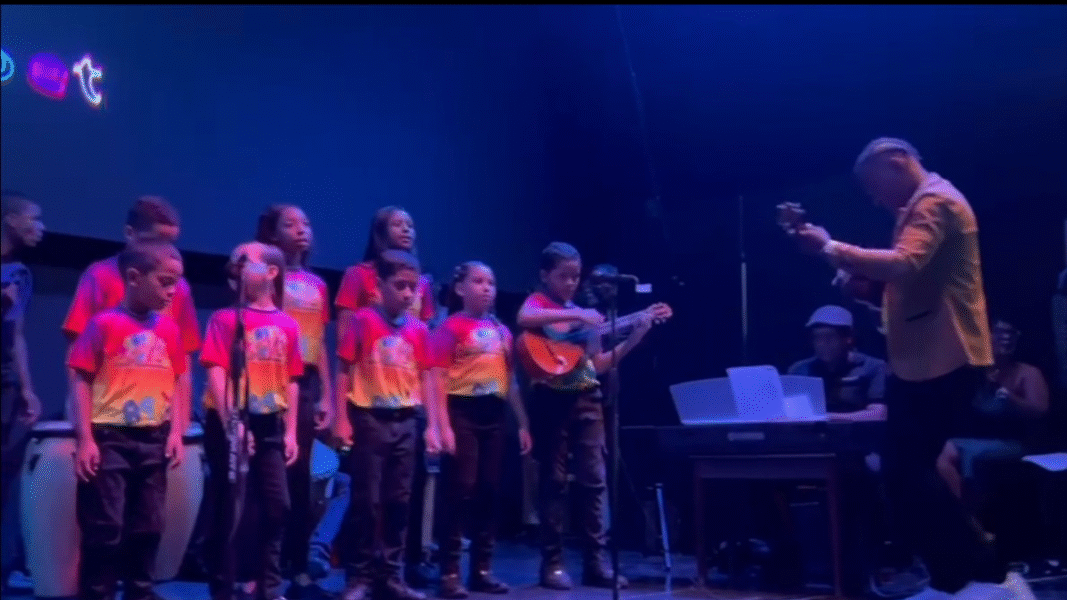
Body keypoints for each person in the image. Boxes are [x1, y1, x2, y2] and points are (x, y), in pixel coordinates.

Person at [785, 137, 1036, 599]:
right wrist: (852, 279)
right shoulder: (917, 209)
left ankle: (980, 569)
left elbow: (903, 264)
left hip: (945, 359)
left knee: (905, 470)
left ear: (897, 163)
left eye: (873, 186)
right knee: (903, 474)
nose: (873, 198)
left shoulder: (936, 202)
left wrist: (830, 245)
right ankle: (961, 575)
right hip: (922, 362)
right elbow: (906, 287)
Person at [516, 242, 652, 591]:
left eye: (575, 276)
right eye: (564, 276)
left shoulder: (585, 314)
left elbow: (599, 364)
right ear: (545, 275)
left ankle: (596, 562)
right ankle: (552, 564)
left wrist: (634, 338)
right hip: (552, 399)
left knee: (595, 479)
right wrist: (578, 316)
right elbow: (524, 319)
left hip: (587, 398)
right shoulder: (540, 304)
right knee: (554, 480)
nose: (571, 283)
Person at [68, 240, 188, 600]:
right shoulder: (104, 324)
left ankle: (141, 592)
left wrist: (176, 432)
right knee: (105, 526)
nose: (172, 291)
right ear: (134, 278)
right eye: (165, 282)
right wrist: (85, 438)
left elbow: (178, 379)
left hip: (153, 438)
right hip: (111, 439)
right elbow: (81, 379)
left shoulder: (169, 330)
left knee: (148, 525)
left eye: (176, 283)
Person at [334, 206, 438, 587]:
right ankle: (359, 578)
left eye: (413, 288)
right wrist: (342, 417)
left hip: (406, 419)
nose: (409, 294)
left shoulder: (419, 330)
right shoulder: (364, 320)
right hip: (370, 417)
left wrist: (432, 425)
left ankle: (391, 576)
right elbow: (344, 366)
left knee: (399, 499)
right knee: (367, 499)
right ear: (379, 287)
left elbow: (426, 375)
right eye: (400, 287)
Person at [201, 241, 302, 600]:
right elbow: (216, 371)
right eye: (234, 260)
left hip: (269, 422)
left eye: (244, 260)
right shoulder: (225, 319)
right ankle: (224, 587)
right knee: (229, 506)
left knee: (278, 505)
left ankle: (268, 587)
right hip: (230, 420)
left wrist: (291, 431)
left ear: (271, 272)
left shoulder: (287, 324)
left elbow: (292, 379)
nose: (236, 265)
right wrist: (233, 423)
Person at [432, 262, 533, 599]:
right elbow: (438, 377)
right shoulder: (451, 327)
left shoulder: (502, 331)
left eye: (491, 282)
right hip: (462, 411)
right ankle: (449, 571)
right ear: (461, 288)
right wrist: (442, 425)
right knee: (460, 488)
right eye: (478, 281)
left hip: (494, 414)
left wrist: (522, 422)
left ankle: (482, 569)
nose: (487, 288)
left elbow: (510, 380)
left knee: (488, 490)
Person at [63, 196, 200, 437]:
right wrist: (81, 416)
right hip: (106, 416)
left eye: (171, 242)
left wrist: (182, 422)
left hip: (156, 417)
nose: (166, 250)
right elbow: (78, 349)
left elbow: (183, 361)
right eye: (156, 240)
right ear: (130, 234)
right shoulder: (99, 276)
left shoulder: (179, 288)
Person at [256, 205, 335, 600]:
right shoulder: (266, 277)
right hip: (268, 378)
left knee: (302, 477)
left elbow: (318, 343)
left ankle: (300, 570)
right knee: (269, 478)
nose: (302, 230)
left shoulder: (317, 285)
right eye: (290, 224)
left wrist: (327, 395)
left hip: (304, 384)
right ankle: (260, 571)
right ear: (273, 234)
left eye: (306, 223)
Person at [936, 320, 1049, 534]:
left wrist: (1012, 398)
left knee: (974, 456)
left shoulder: (1027, 373)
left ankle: (975, 521)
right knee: (947, 451)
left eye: (1011, 333)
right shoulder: (979, 374)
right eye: (999, 333)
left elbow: (1040, 411)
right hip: (985, 440)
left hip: (1019, 443)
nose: (1005, 338)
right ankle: (963, 515)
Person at [0, 191, 44, 591]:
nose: (40, 227)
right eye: (33, 218)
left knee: (6, 475)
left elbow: (16, 335)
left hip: (5, 384)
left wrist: (27, 389)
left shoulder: (18, 274)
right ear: (11, 220)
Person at [787, 305, 888, 422]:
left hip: (858, 432)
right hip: (810, 433)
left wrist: (826, 417)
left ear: (848, 338)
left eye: (829, 337)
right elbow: (791, 413)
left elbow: (878, 414)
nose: (822, 344)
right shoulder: (800, 370)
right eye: (817, 338)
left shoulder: (872, 367)